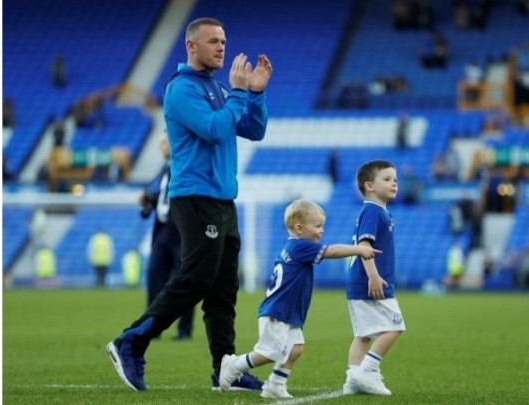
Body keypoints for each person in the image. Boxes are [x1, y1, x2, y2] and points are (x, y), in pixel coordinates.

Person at [106, 17, 273, 392]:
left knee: (222, 291)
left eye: (224, 41)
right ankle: (131, 341)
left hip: (222, 200)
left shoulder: (215, 87)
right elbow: (215, 130)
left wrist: (255, 94)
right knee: (196, 278)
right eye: (213, 41)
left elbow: (254, 130)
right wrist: (239, 93)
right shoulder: (182, 89)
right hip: (194, 197)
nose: (221, 47)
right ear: (191, 45)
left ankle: (224, 370)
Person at [218, 199, 381, 398]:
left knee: (295, 348)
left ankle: (276, 384)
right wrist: (359, 249)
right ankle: (233, 365)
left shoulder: (295, 246)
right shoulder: (300, 246)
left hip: (288, 312)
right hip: (278, 312)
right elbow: (331, 251)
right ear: (299, 228)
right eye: (318, 226)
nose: (321, 231)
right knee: (270, 352)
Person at [342, 160, 405, 396]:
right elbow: (364, 245)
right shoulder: (372, 210)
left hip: (360, 282)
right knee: (394, 326)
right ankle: (367, 371)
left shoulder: (380, 211)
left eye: (395, 180)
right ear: (369, 186)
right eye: (387, 179)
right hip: (370, 281)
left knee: (363, 335)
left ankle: (352, 379)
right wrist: (374, 277)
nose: (394, 184)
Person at [140, 137, 195, 341]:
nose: (159, 145)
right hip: (162, 230)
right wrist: (147, 201)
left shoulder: (186, 166)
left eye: (164, 142)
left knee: (183, 280)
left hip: (180, 232)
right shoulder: (165, 168)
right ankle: (152, 326)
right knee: (155, 274)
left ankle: (184, 329)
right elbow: (161, 196)